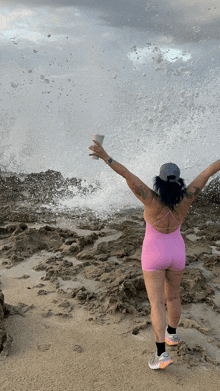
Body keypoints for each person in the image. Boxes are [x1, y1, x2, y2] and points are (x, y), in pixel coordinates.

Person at [89, 139, 220, 370]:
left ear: (158, 181)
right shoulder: (187, 197)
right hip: (177, 252)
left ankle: (161, 355)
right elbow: (208, 172)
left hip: (154, 254)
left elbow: (126, 174)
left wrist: (104, 155)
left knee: (156, 303)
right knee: (174, 297)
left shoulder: (149, 198)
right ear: (179, 181)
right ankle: (172, 334)